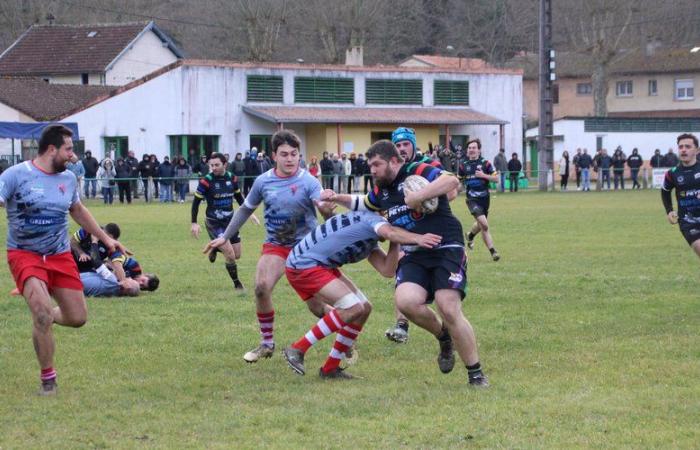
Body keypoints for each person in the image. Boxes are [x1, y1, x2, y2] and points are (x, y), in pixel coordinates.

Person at [323, 140, 489, 387]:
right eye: (370, 166)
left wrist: (419, 196)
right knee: (406, 302)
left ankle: (475, 374)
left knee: (448, 306)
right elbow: (363, 203)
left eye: (377, 164)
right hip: (414, 251)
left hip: (446, 245)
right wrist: (335, 197)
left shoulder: (417, 170)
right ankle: (444, 338)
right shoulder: (381, 190)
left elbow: (452, 181)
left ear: (393, 161)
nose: (373, 170)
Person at [0, 124, 125, 395]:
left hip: (59, 255)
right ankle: (48, 379)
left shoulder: (68, 179)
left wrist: (105, 238)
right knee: (43, 314)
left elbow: (77, 209)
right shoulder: (15, 175)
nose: (72, 155)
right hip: (25, 254)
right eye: (68, 149)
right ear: (51, 149)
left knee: (78, 317)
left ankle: (43, 317)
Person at [203, 130, 335, 363]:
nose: (290, 159)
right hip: (276, 246)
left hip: (306, 249)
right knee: (261, 287)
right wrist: (225, 236)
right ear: (274, 155)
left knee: (317, 306)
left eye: (294, 154)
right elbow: (245, 209)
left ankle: (346, 331)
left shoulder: (308, 181)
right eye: (284, 154)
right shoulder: (263, 181)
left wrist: (325, 209)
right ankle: (266, 344)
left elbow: (321, 204)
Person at [282, 211, 442, 379]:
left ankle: (330, 369)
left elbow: (387, 270)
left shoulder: (371, 238)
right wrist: (412, 237)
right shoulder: (371, 222)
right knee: (353, 308)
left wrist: (395, 242)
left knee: (364, 308)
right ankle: (298, 348)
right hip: (304, 264)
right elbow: (387, 231)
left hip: (318, 264)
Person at [192, 152, 259, 290]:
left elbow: (239, 197)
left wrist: (250, 213)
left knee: (237, 255)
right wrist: (194, 222)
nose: (214, 168)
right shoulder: (206, 181)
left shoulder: (232, 178)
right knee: (230, 255)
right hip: (214, 222)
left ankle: (215, 247)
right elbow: (196, 202)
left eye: (217, 165)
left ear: (225, 164)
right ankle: (237, 284)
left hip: (231, 221)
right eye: (212, 165)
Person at [460, 139, 500, 261]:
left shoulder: (485, 163)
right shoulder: (463, 165)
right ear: (467, 150)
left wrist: (483, 176)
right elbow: (459, 181)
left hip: (485, 198)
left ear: (479, 150)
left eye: (474, 147)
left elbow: (496, 178)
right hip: (472, 198)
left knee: (481, 223)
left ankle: (470, 235)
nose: (471, 150)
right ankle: (493, 251)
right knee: (484, 225)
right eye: (469, 148)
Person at [661, 133, 700, 259]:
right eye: (681, 147)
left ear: (697, 150)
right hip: (688, 221)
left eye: (688, 146)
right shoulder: (672, 173)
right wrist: (669, 210)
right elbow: (665, 190)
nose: (683, 149)